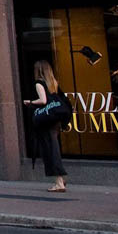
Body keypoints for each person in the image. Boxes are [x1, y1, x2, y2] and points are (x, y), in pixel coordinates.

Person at [25, 59, 72, 192]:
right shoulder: (53, 82)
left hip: (46, 121)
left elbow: (43, 100)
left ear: (38, 70)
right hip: (55, 120)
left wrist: (30, 102)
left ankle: (59, 183)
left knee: (50, 150)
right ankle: (61, 179)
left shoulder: (39, 83)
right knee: (54, 147)